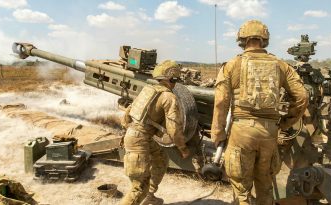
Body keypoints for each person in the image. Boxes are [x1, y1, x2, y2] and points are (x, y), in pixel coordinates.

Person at [211, 20, 308, 205]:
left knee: (241, 189)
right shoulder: (281, 65)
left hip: (241, 132)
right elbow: (302, 96)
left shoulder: (231, 65)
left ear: (242, 39)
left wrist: (218, 132)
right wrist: (285, 123)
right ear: (265, 39)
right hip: (269, 133)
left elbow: (221, 102)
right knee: (265, 185)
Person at [119, 60, 190, 205]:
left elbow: (127, 116)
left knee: (161, 159)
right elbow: (174, 129)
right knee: (139, 187)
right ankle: (145, 193)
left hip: (137, 135)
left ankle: (149, 196)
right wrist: (183, 148)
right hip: (139, 139)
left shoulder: (148, 90)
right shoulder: (169, 97)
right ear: (172, 78)